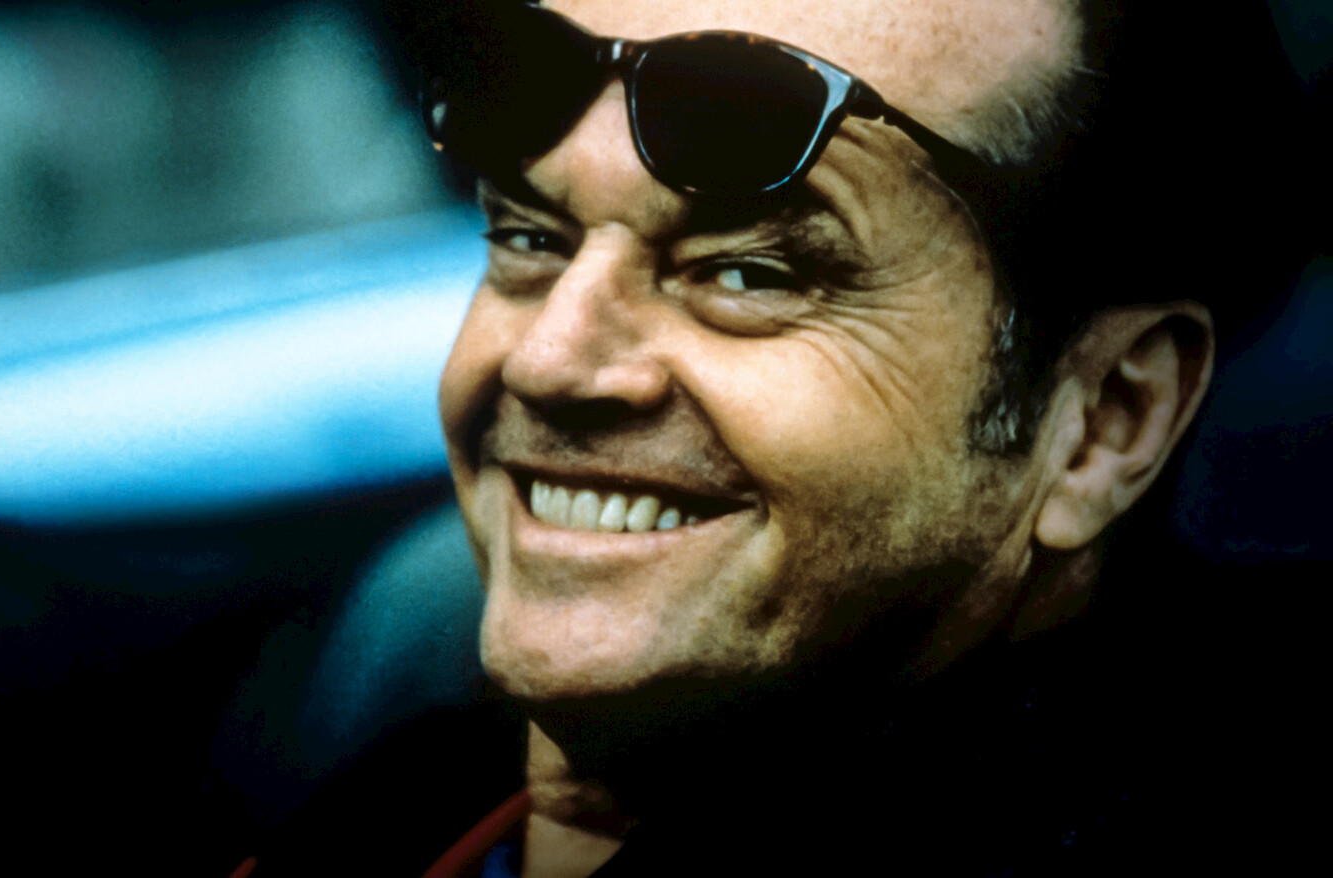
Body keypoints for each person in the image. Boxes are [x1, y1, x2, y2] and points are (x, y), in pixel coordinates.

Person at [238, 0, 1313, 875]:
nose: (547, 361)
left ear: (1106, 419)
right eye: (529, 237)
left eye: (749, 274)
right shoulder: (398, 788)